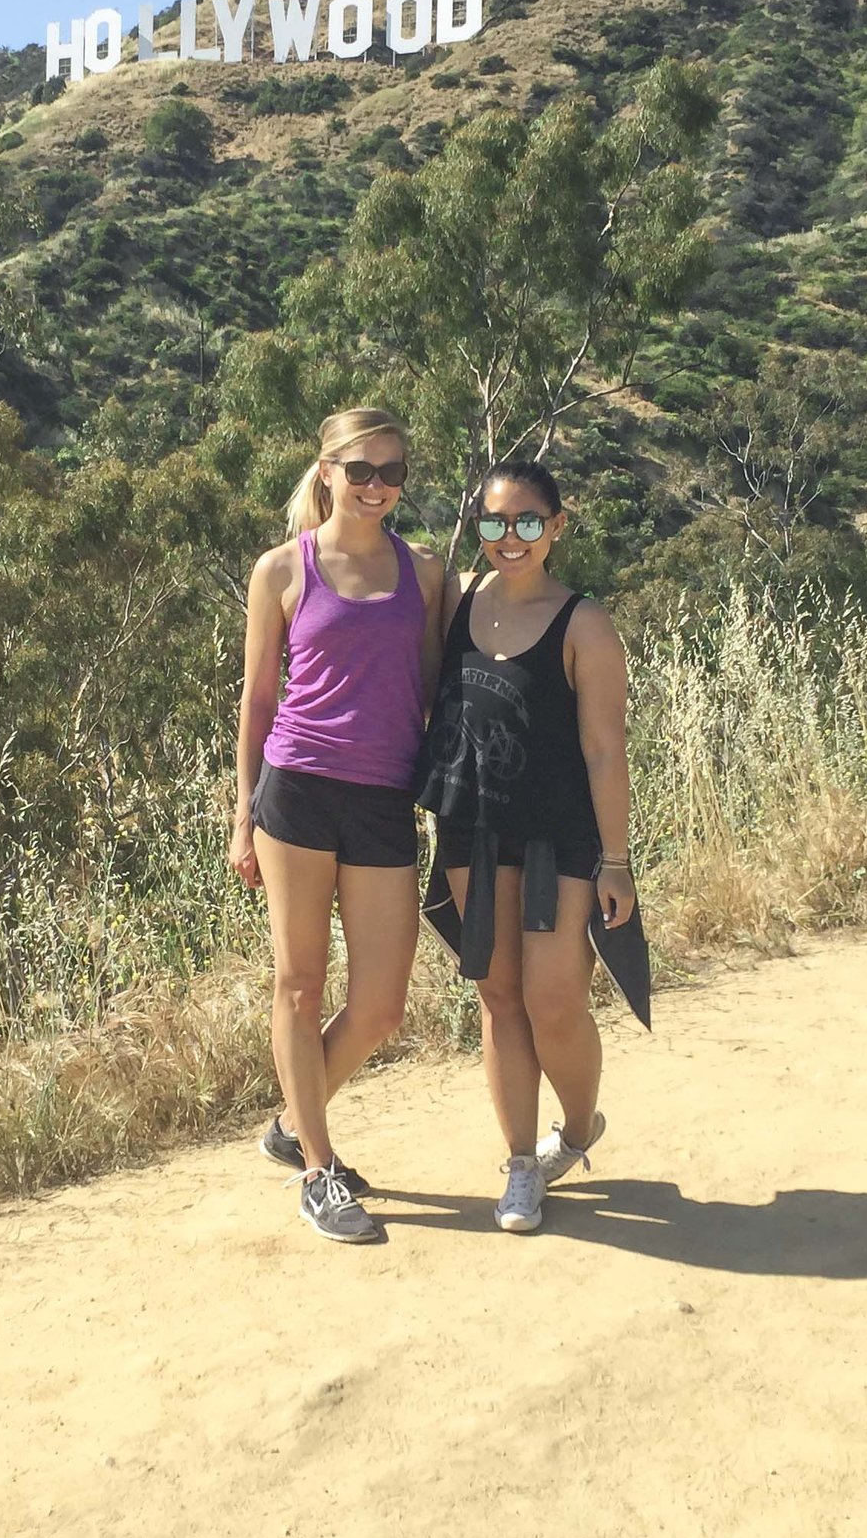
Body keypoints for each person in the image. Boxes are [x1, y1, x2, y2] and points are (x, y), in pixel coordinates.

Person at [232, 409, 447, 1244]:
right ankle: (319, 1172)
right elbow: (255, 700)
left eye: (391, 472)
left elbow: (434, 692)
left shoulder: (425, 574)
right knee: (298, 981)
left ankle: (293, 1119)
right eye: (360, 470)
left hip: (385, 796)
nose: (376, 486)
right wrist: (242, 814)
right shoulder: (282, 570)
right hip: (297, 792)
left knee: (383, 1005)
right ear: (325, 471)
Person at [419, 459, 638, 1233]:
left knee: (553, 1000)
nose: (507, 538)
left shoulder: (584, 622)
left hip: (560, 837)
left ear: (556, 526)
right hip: (470, 829)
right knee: (499, 994)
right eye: (491, 522)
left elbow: (605, 750)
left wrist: (616, 860)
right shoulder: (457, 601)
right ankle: (519, 1162)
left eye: (524, 522)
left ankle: (576, 1131)